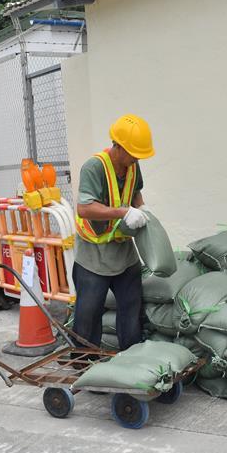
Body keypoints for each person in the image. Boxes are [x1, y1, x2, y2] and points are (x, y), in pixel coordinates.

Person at [72, 113, 154, 351]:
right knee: (88, 317)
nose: (137, 159)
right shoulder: (94, 167)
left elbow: (135, 192)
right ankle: (84, 368)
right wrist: (124, 212)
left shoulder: (132, 165)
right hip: (93, 258)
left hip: (124, 254)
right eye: (133, 153)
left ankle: (131, 361)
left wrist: (141, 207)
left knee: (131, 312)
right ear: (118, 147)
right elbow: (84, 208)